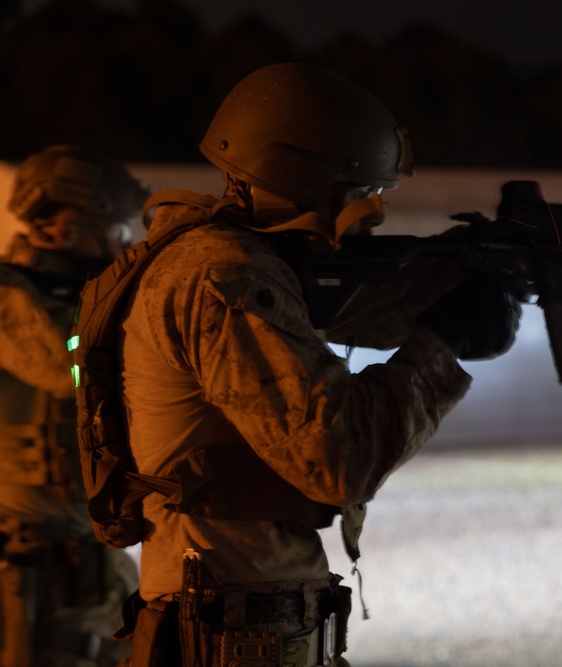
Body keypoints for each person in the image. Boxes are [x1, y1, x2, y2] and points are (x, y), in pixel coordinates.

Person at [84, 63, 520, 666]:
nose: (373, 211)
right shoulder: (224, 275)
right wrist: (439, 343)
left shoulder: (219, 262)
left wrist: (460, 287)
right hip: (231, 626)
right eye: (360, 191)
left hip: (239, 620)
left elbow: (347, 317)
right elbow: (337, 456)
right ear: (307, 178)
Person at [0, 145, 147, 666]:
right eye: (116, 228)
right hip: (23, 567)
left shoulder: (97, 302)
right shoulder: (8, 295)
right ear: (65, 226)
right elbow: (65, 365)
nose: (124, 242)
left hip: (97, 562)